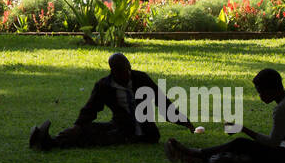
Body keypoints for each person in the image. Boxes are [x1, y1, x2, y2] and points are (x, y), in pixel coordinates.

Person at [30, 52, 199, 151]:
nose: (125, 73)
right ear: (113, 71)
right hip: (120, 126)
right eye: (119, 70)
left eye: (126, 69)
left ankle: (49, 143)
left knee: (96, 138)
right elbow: (91, 109)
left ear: (129, 67)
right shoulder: (105, 85)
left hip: (146, 134)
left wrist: (186, 123)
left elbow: (163, 104)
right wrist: (78, 125)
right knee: (88, 129)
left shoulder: (142, 79)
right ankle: (49, 141)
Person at [165, 69, 285, 163]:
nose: (260, 96)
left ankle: (196, 154)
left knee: (241, 144)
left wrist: (243, 129)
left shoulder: (283, 108)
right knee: (244, 150)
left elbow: (273, 143)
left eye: (261, 92)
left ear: (272, 90)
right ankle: (198, 157)